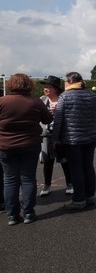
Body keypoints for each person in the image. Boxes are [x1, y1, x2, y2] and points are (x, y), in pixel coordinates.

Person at [0, 73, 53, 225]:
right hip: (30, 144)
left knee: (9, 180)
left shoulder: (2, 101)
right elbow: (48, 119)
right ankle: (29, 213)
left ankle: (12, 216)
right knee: (28, 179)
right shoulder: (36, 102)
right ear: (29, 85)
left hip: (6, 146)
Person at [52, 72, 96, 210]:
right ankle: (90, 197)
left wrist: (55, 138)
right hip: (91, 137)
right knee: (88, 167)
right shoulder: (91, 95)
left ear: (69, 81)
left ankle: (79, 200)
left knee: (76, 169)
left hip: (71, 139)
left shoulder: (64, 97)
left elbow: (58, 121)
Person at [38, 75, 73, 196]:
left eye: (48, 86)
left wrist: (58, 112)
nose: (45, 88)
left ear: (56, 89)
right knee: (48, 162)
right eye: (45, 86)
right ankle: (47, 186)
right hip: (47, 136)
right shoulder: (42, 100)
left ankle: (70, 184)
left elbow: (71, 117)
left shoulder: (63, 99)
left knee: (64, 160)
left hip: (61, 136)